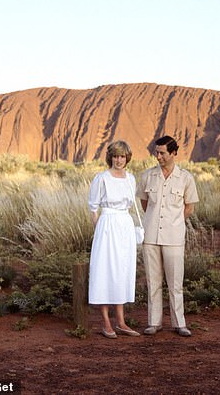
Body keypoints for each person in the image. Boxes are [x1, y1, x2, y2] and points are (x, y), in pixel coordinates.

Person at [136, 135, 199, 337]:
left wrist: (173, 221)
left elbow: (189, 207)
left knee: (175, 282)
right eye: (157, 152)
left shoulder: (186, 178)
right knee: (153, 281)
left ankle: (179, 323)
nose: (158, 156)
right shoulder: (147, 176)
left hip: (174, 236)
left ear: (173, 153)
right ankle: (154, 323)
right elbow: (144, 204)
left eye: (162, 153)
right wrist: (155, 220)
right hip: (151, 236)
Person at [88, 140, 141, 339]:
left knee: (121, 270)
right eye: (116, 156)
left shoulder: (131, 178)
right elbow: (93, 208)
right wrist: (100, 230)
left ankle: (121, 321)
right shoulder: (101, 178)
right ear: (110, 157)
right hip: (107, 225)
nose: (119, 160)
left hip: (125, 225)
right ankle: (106, 321)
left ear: (128, 157)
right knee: (105, 270)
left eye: (122, 156)